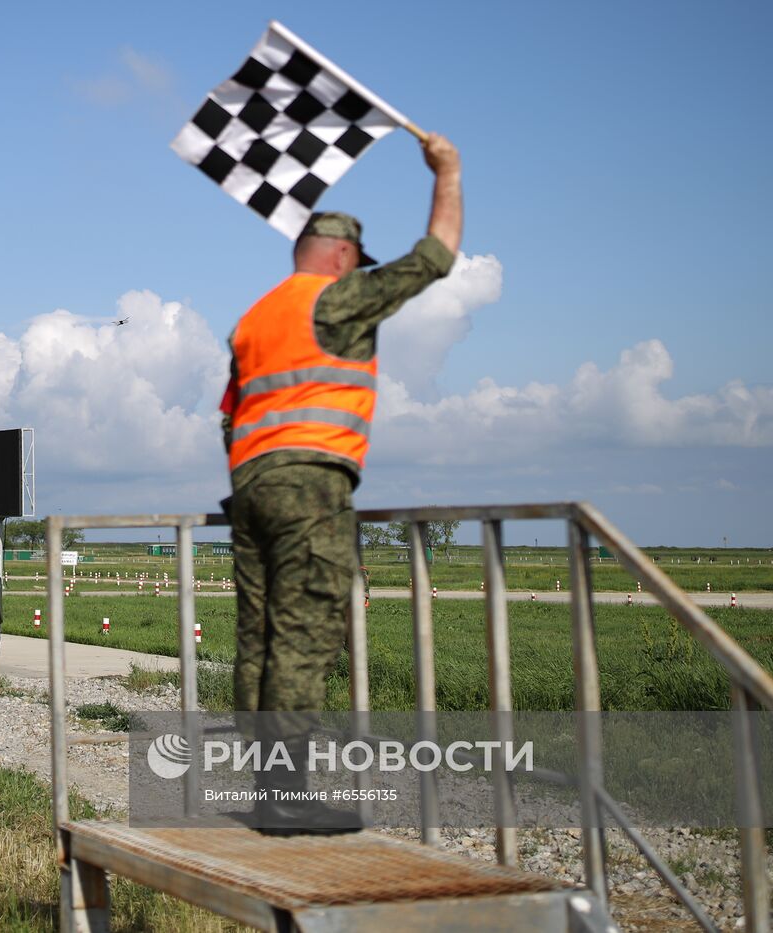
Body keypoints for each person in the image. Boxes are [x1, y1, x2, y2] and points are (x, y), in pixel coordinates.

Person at [219, 132, 462, 831]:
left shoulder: (254, 317)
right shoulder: (338, 299)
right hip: (311, 483)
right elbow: (435, 256)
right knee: (303, 633)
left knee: (258, 637)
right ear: (345, 256)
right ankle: (286, 798)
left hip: (250, 485)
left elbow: (226, 416)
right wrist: (447, 172)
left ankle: (268, 786)